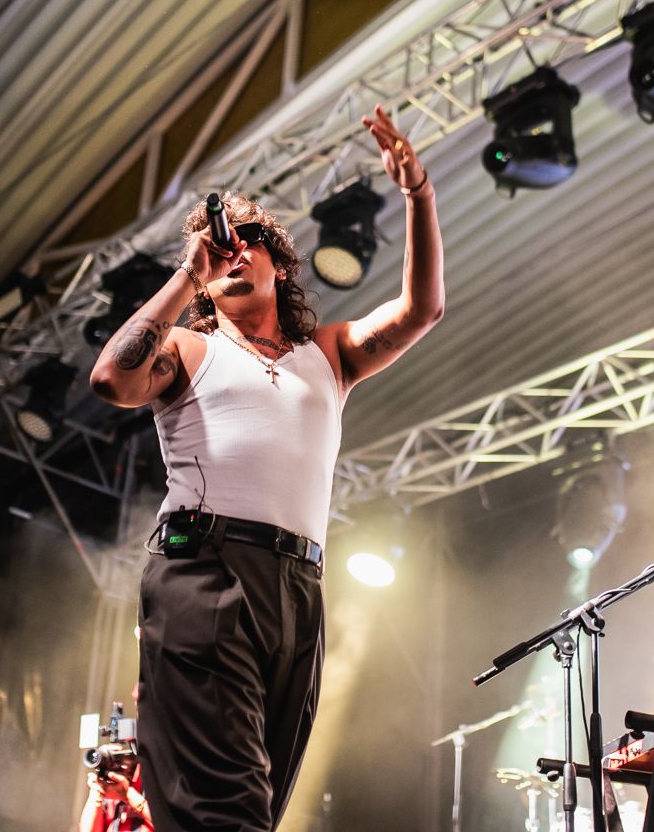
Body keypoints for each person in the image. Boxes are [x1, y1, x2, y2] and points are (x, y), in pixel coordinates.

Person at [89, 105, 444, 831]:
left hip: (298, 587)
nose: (233, 251)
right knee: (231, 809)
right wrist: (188, 274)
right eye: (220, 246)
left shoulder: (330, 356)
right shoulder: (188, 350)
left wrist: (418, 194)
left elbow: (421, 311)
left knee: (256, 805)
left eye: (247, 239)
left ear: (280, 262)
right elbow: (111, 380)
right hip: (207, 570)